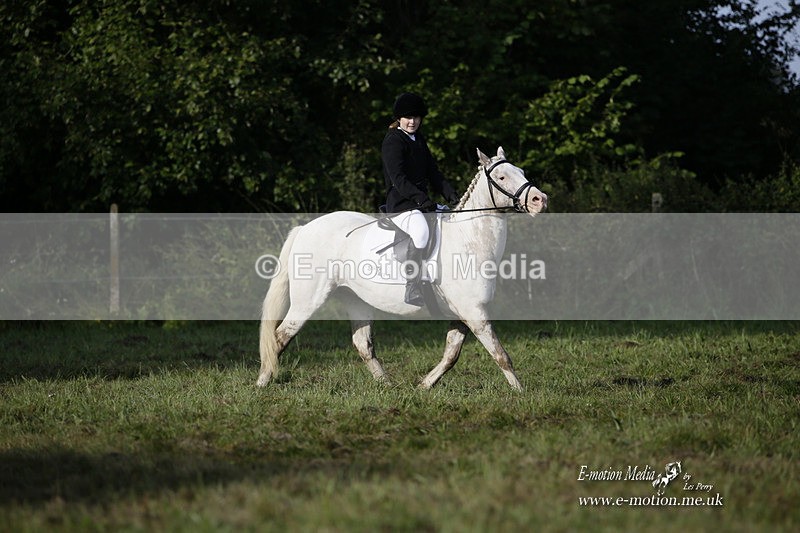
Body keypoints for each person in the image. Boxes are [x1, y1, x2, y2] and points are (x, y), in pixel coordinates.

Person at [381, 92, 460, 306]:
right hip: (401, 204)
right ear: (399, 118)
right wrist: (421, 199)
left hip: (420, 202)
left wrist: (451, 194)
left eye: (416, 117)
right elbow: (398, 179)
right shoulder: (393, 141)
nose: (413, 121)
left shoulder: (419, 139)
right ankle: (412, 286)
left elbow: (433, 172)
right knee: (421, 232)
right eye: (408, 117)